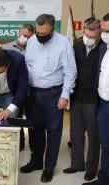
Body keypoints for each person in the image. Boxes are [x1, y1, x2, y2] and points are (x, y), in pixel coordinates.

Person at [20, 14, 77, 183]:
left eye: (44, 34)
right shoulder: (31, 41)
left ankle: (49, 167)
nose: (40, 36)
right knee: (34, 130)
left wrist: (65, 95)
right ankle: (36, 162)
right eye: (38, 32)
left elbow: (70, 71)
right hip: (33, 93)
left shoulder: (63, 43)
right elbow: (28, 66)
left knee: (53, 132)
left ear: (52, 30)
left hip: (54, 94)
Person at [63, 18, 102, 182]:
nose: (87, 38)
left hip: (94, 100)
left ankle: (91, 168)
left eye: (91, 36)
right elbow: (70, 70)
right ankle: (77, 163)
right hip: (77, 97)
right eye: (86, 34)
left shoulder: (103, 50)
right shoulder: (77, 46)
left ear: (99, 36)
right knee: (76, 134)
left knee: (94, 136)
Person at [83, 13, 109, 185]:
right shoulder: (103, 49)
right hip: (103, 104)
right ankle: (105, 178)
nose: (105, 34)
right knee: (105, 143)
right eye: (104, 30)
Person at [3, 23, 34, 151]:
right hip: (13, 90)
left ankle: (33, 144)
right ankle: (18, 143)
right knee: (15, 118)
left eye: (28, 36)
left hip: (32, 89)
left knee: (32, 118)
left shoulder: (34, 49)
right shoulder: (6, 48)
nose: (24, 38)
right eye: (23, 35)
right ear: (18, 33)